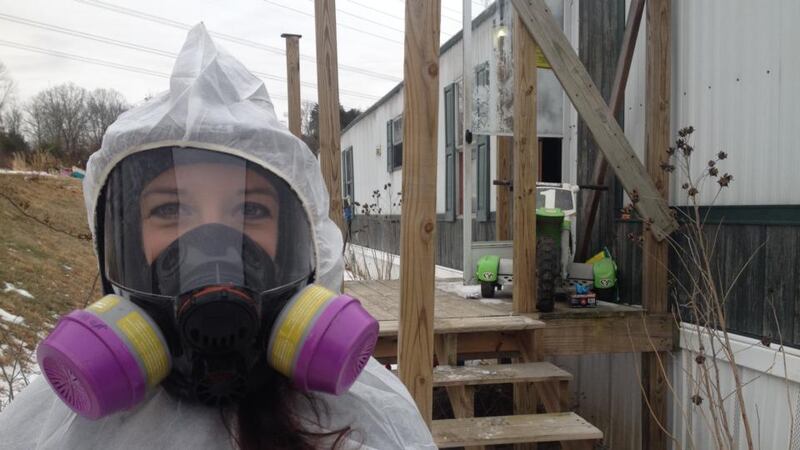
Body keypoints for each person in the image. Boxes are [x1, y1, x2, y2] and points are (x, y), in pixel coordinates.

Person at [0, 24, 435, 450]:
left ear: (300, 242)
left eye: (250, 210)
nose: (209, 244)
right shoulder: (54, 429)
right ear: (127, 242)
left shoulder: (369, 415)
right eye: (170, 210)